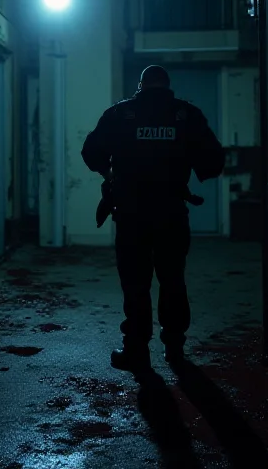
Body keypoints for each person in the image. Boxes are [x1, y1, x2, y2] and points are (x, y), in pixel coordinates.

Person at [81, 65, 225, 372]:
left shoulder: (121, 114)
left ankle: (136, 350)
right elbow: (213, 163)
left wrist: (112, 176)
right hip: (171, 213)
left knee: (135, 283)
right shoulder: (187, 115)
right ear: (167, 86)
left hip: (132, 215)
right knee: (172, 279)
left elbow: (91, 152)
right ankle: (174, 347)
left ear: (141, 85)